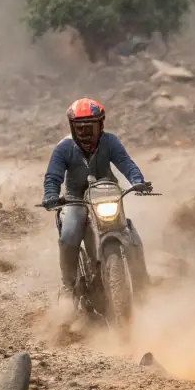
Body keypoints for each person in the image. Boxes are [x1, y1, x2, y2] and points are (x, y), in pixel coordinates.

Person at [42, 97, 152, 295]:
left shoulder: (110, 141)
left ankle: (142, 282)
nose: (85, 133)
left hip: (107, 194)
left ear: (101, 125)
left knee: (130, 233)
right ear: (72, 128)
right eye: (80, 128)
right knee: (68, 235)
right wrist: (51, 194)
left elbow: (126, 163)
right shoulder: (63, 148)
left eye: (90, 128)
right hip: (76, 199)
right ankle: (68, 286)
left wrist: (137, 181)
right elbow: (53, 175)